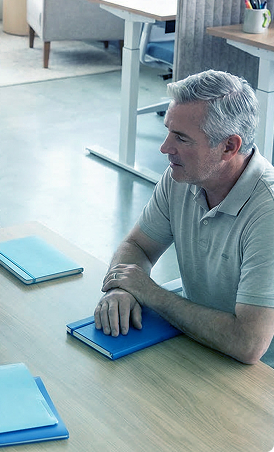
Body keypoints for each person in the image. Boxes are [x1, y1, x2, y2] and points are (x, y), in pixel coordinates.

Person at [94, 69, 274, 365]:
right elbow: (138, 245)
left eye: (182, 138)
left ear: (230, 146)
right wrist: (120, 289)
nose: (165, 148)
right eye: (168, 130)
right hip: (199, 343)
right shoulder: (182, 178)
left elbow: (249, 343)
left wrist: (151, 293)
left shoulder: (267, 211)